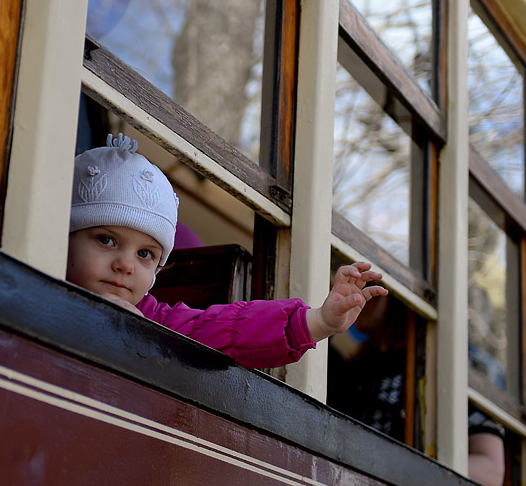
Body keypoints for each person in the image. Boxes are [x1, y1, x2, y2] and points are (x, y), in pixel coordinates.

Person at [66, 133, 388, 369]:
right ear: (64, 237)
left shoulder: (160, 322)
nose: (125, 265)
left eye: (146, 254)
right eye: (106, 240)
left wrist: (318, 321)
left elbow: (233, 329)